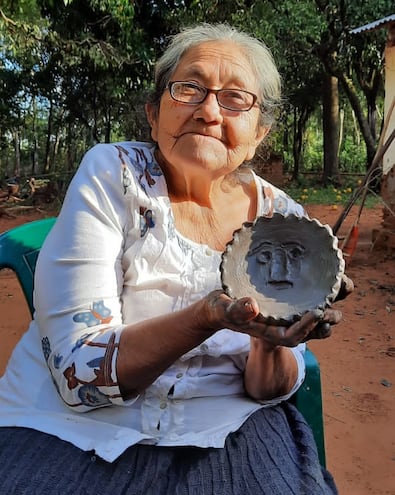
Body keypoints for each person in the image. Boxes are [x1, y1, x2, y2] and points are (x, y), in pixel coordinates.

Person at [0, 23, 352, 494]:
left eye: (235, 99)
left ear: (259, 132)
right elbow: (78, 376)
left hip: (226, 431)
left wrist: (272, 340)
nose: (209, 112)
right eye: (189, 88)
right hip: (69, 430)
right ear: (153, 112)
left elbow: (269, 389)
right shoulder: (114, 175)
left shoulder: (284, 220)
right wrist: (207, 316)